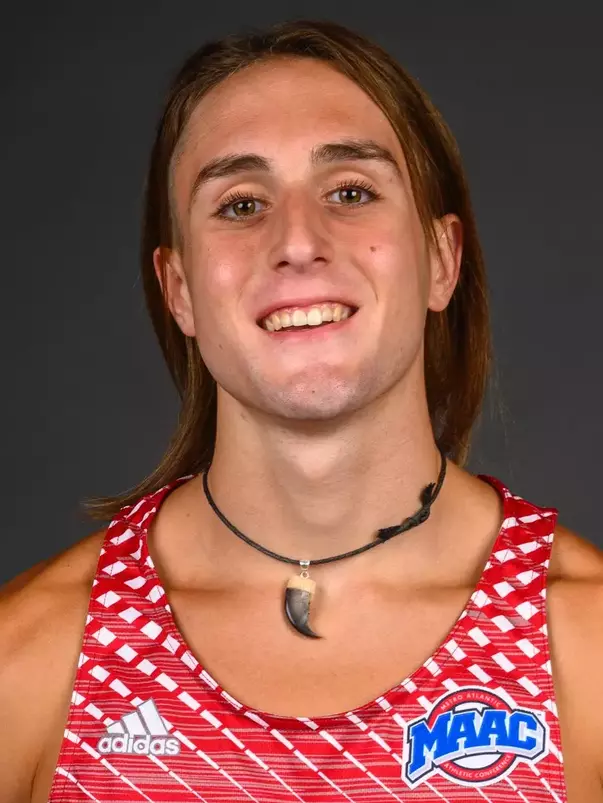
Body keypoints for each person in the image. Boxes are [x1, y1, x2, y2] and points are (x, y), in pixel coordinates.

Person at [1, 17, 601, 803]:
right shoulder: (32, 657)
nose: (297, 241)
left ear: (441, 261)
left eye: (350, 191)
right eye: (242, 204)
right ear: (178, 289)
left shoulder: (584, 645)